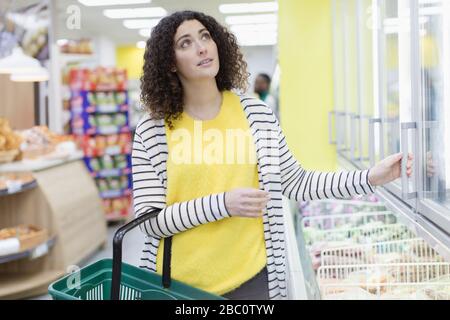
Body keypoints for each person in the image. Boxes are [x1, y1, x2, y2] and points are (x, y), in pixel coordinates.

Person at [133, 10, 413, 300]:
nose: (202, 47)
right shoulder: (153, 129)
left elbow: (297, 182)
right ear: (169, 63)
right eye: (185, 43)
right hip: (177, 288)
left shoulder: (255, 114)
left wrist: (371, 177)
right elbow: (150, 221)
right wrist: (223, 204)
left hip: (253, 282)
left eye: (205, 36)